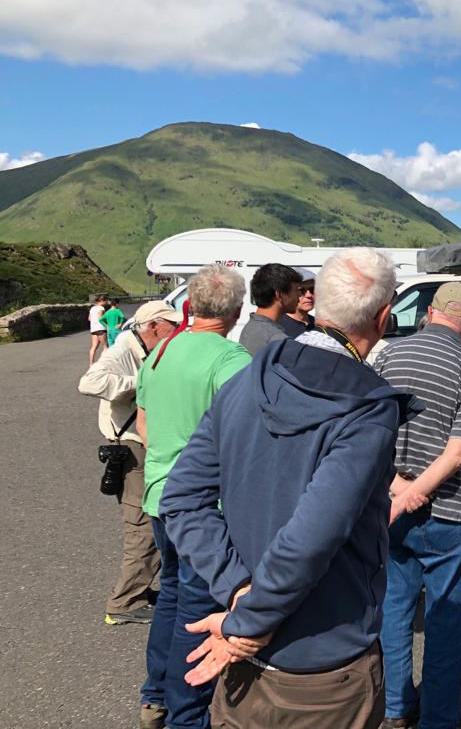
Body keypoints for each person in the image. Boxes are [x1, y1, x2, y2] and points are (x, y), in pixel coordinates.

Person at [160, 248, 419, 728]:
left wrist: (237, 589)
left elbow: (181, 500)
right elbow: (310, 539)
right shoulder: (368, 407)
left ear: (316, 301)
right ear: (384, 316)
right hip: (322, 666)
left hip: (244, 661)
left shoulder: (246, 376)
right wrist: (248, 618)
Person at [135, 264, 252, 729]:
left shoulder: (161, 351)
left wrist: (165, 456)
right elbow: (245, 437)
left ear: (191, 305)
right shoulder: (231, 360)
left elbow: (143, 420)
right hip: (205, 506)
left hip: (158, 494)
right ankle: (188, 715)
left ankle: (155, 695)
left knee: (171, 595)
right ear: (237, 310)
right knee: (198, 607)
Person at [374, 281, 461, 729]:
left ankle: (397, 708)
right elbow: (458, 454)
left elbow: (369, 433)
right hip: (447, 510)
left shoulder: (387, 355)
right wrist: (415, 492)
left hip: (390, 507)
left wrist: (397, 488)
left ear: (429, 313)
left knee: (396, 610)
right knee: (444, 622)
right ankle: (438, 720)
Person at [78, 301, 181, 627]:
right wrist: (142, 383)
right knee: (142, 526)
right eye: (171, 325)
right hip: (129, 447)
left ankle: (138, 590)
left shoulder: (142, 348)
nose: (176, 330)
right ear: (152, 326)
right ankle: (125, 601)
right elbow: (90, 383)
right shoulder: (124, 349)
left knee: (150, 519)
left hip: (138, 446)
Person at [237, 263, 302, 355]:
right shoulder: (277, 339)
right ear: (279, 295)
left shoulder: (251, 327)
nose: (299, 295)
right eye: (296, 290)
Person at [279, 268, 316, 338]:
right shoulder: (278, 327)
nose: (309, 295)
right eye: (301, 290)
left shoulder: (319, 325)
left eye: (312, 290)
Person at [88, 294, 109, 366]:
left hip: (93, 329)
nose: (107, 302)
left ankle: (91, 363)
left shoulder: (92, 308)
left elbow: (89, 318)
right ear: (102, 301)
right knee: (105, 346)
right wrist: (106, 326)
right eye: (106, 301)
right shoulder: (101, 308)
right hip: (101, 329)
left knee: (94, 347)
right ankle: (104, 363)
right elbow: (100, 318)